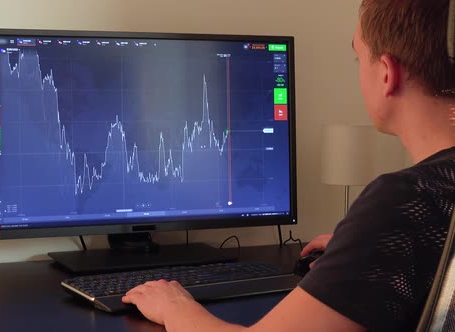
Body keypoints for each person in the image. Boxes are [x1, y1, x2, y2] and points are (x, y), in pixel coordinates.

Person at [122, 0, 455, 331]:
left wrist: (175, 308)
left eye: (358, 57)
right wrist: (357, 249)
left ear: (387, 73)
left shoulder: (406, 200)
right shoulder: (426, 201)